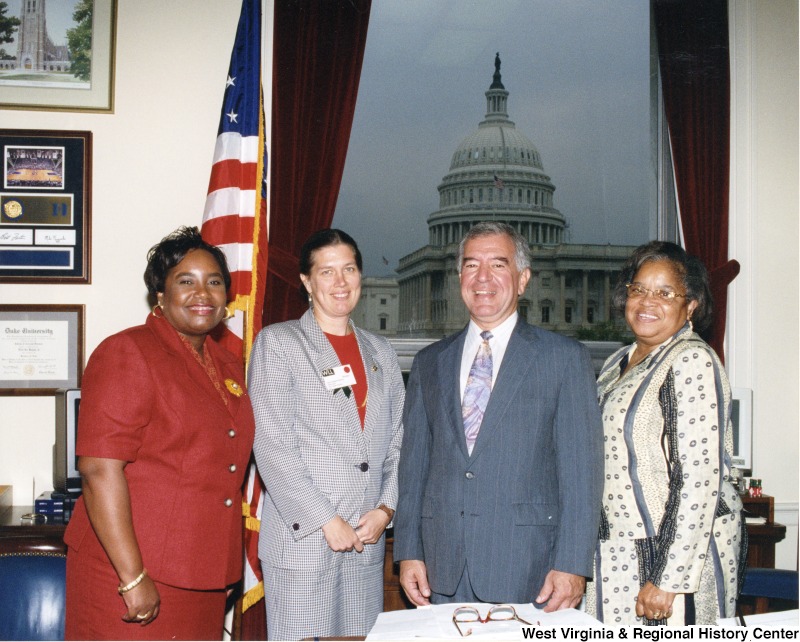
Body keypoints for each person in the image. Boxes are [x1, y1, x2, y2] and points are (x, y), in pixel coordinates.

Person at [394, 221, 603, 610]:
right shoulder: (429, 363)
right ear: (459, 277)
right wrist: (409, 550)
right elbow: (414, 468)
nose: (483, 278)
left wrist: (573, 564)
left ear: (523, 279)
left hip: (529, 568)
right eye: (471, 265)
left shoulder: (563, 359)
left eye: (498, 265)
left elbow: (581, 474)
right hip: (441, 568)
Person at [64, 227, 255, 640]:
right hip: (129, 573)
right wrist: (133, 578)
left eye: (214, 282)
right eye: (186, 281)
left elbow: (224, 470)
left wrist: (220, 565)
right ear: (160, 296)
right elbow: (99, 470)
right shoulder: (128, 351)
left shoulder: (228, 366)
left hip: (200, 575)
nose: (202, 294)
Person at [248, 228, 405, 640]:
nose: (340, 282)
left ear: (361, 276)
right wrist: (325, 520)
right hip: (305, 539)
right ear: (306, 281)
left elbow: (397, 441)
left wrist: (386, 509)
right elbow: (272, 445)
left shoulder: (381, 352)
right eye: (327, 271)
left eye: (349, 269)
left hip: (365, 539)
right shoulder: (280, 344)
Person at [584, 241, 747, 625]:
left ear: (690, 305)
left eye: (664, 293)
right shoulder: (616, 362)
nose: (646, 301)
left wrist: (668, 579)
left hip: (671, 560)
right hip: (616, 554)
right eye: (638, 289)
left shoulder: (691, 359)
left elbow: (698, 478)